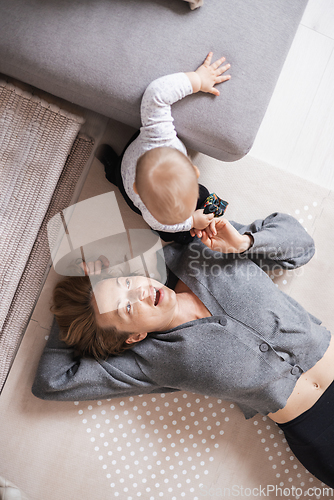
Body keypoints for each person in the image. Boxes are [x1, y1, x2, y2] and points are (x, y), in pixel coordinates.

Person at [32, 213, 334, 487]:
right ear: (134, 336)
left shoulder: (196, 251)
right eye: (125, 307)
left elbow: (302, 246)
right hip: (317, 432)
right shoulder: (148, 361)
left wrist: (244, 243)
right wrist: (78, 298)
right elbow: (52, 381)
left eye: (125, 282)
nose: (139, 291)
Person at [96, 52, 231, 244]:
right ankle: (112, 171)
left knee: (206, 197)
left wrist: (198, 80)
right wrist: (191, 221)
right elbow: (163, 224)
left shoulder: (159, 134)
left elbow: (157, 94)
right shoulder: (152, 215)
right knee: (173, 235)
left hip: (135, 161)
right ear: (194, 171)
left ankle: (114, 170)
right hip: (125, 178)